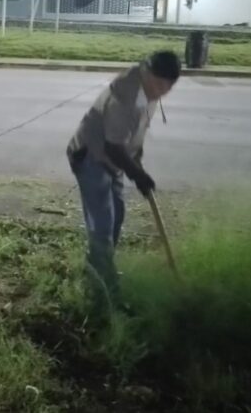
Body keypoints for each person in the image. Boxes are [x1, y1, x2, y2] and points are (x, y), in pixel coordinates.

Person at [66, 50, 181, 309]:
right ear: (146, 72)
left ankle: (98, 271)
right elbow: (113, 147)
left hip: (112, 161)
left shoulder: (149, 93)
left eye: (168, 86)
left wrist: (136, 164)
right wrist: (138, 174)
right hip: (91, 156)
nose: (162, 91)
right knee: (102, 226)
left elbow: (133, 137)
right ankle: (104, 295)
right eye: (159, 84)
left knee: (117, 216)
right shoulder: (125, 95)